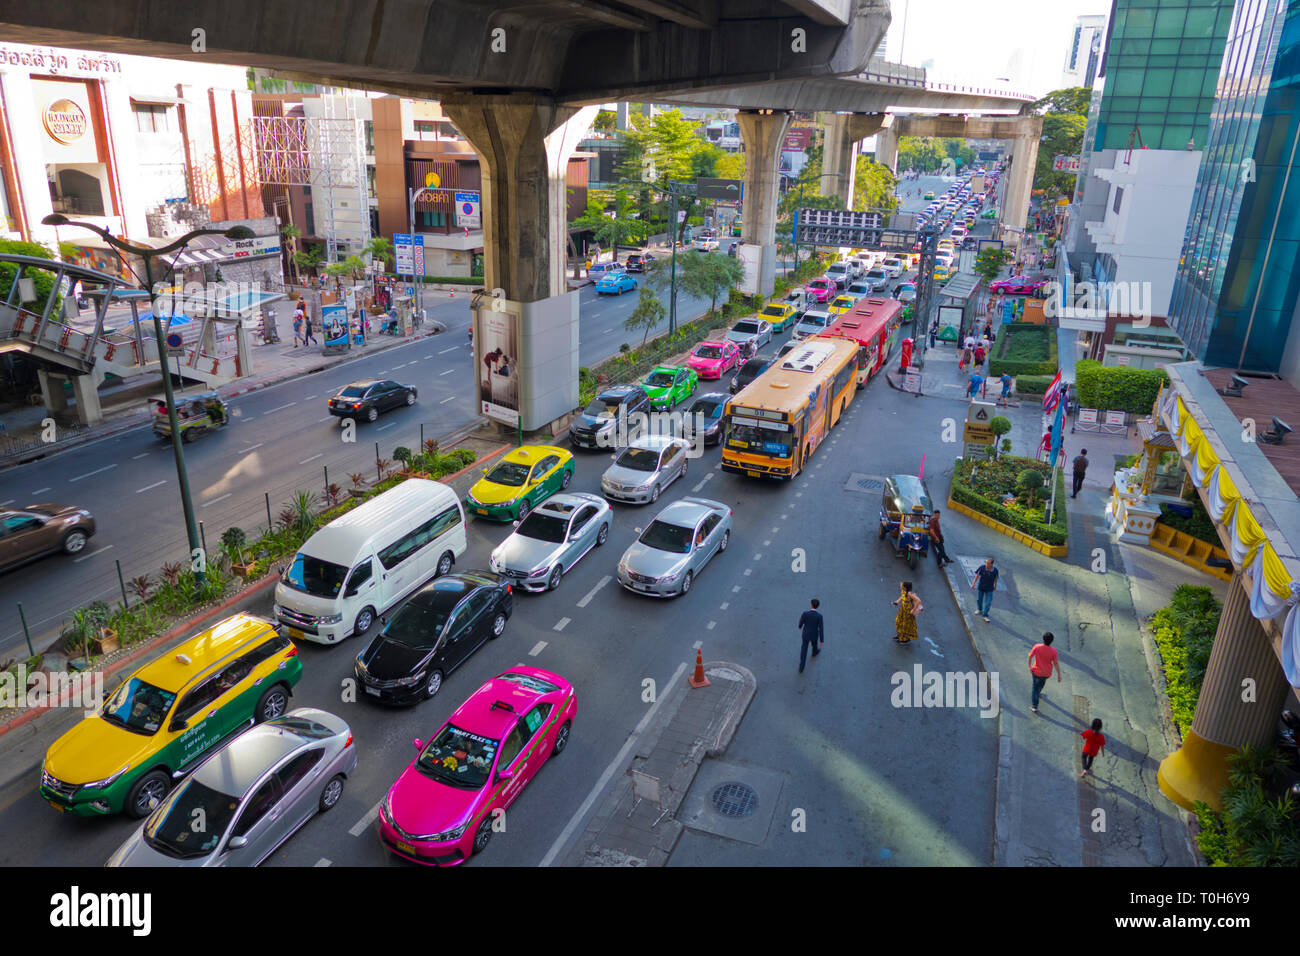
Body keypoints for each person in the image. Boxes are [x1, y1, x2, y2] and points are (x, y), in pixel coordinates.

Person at [1028, 631, 1062, 714]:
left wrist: (1030, 666)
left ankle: (1034, 706)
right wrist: (1059, 674)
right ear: (1052, 641)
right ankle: (1038, 693)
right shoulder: (1053, 651)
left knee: (1034, 688)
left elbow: (1030, 656)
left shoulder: (1037, 647)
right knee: (1041, 684)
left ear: (1043, 639)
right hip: (1046, 673)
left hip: (1036, 671)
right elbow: (1056, 663)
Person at [797, 598, 824, 673]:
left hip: (806, 634)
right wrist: (821, 640)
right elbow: (821, 628)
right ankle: (814, 652)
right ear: (817, 606)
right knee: (814, 643)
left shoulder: (805, 613)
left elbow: (801, 621)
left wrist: (800, 626)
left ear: (811, 605)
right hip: (814, 635)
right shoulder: (819, 616)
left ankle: (801, 667)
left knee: (804, 649)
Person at [970, 556, 998, 621]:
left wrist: (995, 586)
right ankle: (979, 609)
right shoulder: (982, 568)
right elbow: (977, 576)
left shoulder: (995, 571)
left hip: (990, 588)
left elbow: (995, 579)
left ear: (991, 564)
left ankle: (985, 615)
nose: (986, 564)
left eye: (988, 563)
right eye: (986, 563)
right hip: (981, 587)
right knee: (979, 600)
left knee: (988, 602)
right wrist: (973, 584)